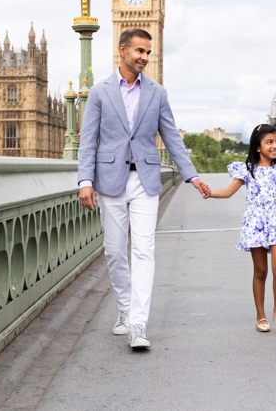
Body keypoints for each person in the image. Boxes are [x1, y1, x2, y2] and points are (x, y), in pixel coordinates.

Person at [78, 28, 210, 350]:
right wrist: (85, 181)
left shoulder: (157, 93)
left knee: (143, 250)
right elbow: (87, 140)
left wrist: (191, 176)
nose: (144, 57)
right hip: (109, 180)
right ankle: (124, 307)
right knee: (114, 249)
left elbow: (172, 137)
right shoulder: (99, 92)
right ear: (122, 50)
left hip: (146, 179)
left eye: (148, 53)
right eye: (139, 51)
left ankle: (138, 322)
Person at [205, 124, 276, 333]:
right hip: (255, 222)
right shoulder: (248, 169)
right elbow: (229, 191)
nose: (275, 146)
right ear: (258, 147)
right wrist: (210, 193)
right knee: (260, 270)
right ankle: (261, 315)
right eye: (269, 142)